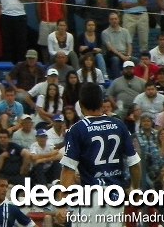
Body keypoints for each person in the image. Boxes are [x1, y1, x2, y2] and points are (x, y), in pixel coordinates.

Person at [60, 82, 141, 224]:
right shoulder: (119, 125)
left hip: (92, 196)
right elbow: (134, 164)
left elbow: (68, 169)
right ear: (101, 103)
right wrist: (135, 189)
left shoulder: (77, 129)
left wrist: (62, 203)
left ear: (81, 104)